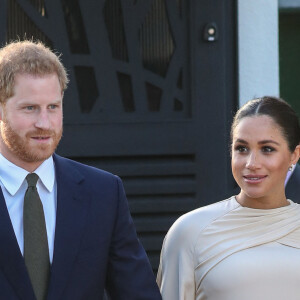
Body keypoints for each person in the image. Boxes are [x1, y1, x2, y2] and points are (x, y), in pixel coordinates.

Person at [0, 40, 162, 300]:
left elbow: (137, 293)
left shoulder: (103, 193)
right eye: (30, 108)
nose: (44, 123)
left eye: (53, 107)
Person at [157, 96, 300, 300]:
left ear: (294, 155)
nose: (252, 163)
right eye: (241, 148)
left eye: (267, 149)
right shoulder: (189, 231)